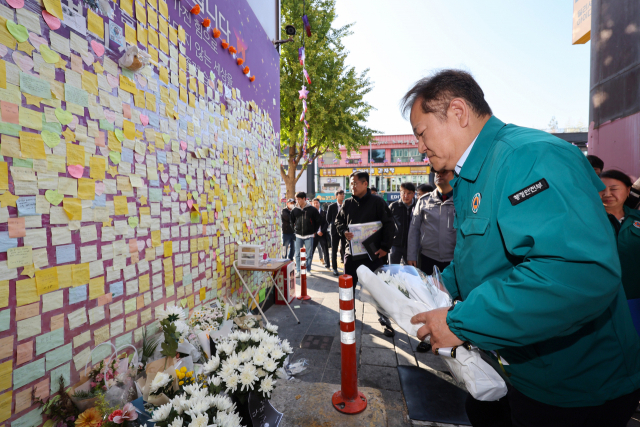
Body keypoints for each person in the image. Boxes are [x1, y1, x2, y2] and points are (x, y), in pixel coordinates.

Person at [401, 69, 640, 427]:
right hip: (520, 371)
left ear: (458, 112)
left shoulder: (528, 158)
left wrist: (461, 323)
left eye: (421, 133)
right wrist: (438, 285)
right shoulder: (473, 176)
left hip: (576, 387)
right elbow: (483, 255)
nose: (420, 147)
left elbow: (578, 272)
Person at [335, 171, 395, 309]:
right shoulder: (347, 203)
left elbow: (389, 225)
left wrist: (385, 247)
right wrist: (344, 231)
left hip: (374, 253)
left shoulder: (378, 202)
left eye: (355, 183)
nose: (352, 187)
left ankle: (384, 318)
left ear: (365, 183)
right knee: (348, 286)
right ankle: (348, 314)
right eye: (351, 184)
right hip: (352, 253)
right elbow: (338, 221)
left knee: (379, 288)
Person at [600, 169, 640, 335]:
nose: (607, 194)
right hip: (599, 300)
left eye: (614, 188)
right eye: (601, 189)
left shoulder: (637, 219)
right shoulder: (585, 221)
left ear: (628, 190)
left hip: (635, 296)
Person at [407, 170, 456, 274]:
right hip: (428, 258)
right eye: (436, 172)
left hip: (454, 259)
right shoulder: (424, 200)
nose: (439, 174)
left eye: (444, 172)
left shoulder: (461, 199)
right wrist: (411, 255)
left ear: (454, 174)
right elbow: (414, 230)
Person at [290, 192, 323, 277]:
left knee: (309, 253)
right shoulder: (295, 210)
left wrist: (314, 230)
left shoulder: (312, 209)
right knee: (297, 254)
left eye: (299, 199)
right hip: (298, 235)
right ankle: (298, 270)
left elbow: (318, 221)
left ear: (304, 199)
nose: (297, 201)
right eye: (296, 199)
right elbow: (291, 221)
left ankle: (308, 269)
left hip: (309, 235)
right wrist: (294, 230)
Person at [388, 182, 416, 264]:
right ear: (400, 193)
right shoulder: (394, 206)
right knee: (393, 270)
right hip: (395, 245)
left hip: (411, 246)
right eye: (403, 193)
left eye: (409, 193)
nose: (406, 196)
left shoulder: (418, 206)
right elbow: (386, 224)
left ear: (414, 194)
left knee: (410, 271)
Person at [326, 189, 347, 276]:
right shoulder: (331, 206)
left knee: (345, 250)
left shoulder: (346, 205)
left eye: (343, 194)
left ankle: (346, 268)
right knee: (334, 250)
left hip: (344, 231)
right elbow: (328, 219)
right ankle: (335, 268)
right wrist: (333, 225)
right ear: (336, 196)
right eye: (340, 194)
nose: (342, 196)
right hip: (334, 231)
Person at [311, 198, 330, 270]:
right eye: (314, 203)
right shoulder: (311, 213)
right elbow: (310, 224)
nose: (316, 204)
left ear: (319, 204)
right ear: (312, 204)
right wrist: (314, 232)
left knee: (325, 250)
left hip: (322, 234)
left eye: (317, 203)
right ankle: (308, 265)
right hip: (314, 235)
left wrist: (322, 231)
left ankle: (327, 265)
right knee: (311, 250)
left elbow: (326, 223)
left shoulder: (324, 213)